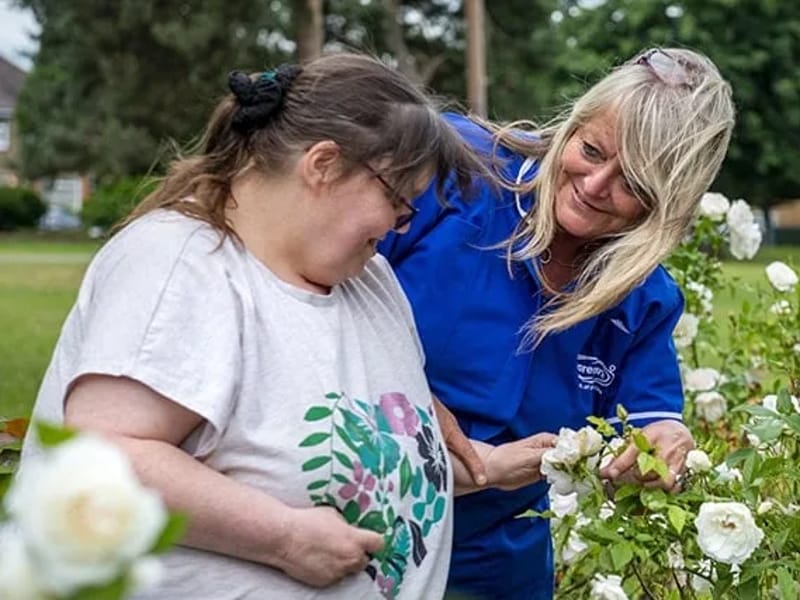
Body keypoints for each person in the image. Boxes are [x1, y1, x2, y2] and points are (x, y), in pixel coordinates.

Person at [17, 53, 546, 599]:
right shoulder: (180, 262)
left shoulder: (372, 282)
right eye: (396, 201)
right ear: (322, 164)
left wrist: (494, 466)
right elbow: (102, 455)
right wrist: (284, 538)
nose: (396, 226)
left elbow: (359, 466)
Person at [379, 47, 735, 599]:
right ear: (573, 125)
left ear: (666, 206)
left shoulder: (645, 299)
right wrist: (412, 399)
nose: (595, 185)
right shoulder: (456, 168)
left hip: (494, 560)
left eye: (633, 183)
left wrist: (666, 444)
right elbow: (317, 291)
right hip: (354, 507)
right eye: (590, 150)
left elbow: (650, 421)